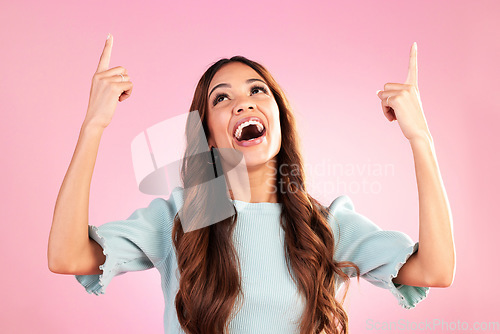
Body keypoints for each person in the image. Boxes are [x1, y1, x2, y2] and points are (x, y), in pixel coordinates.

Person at [48, 34, 455, 334]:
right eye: (221, 99)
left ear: (279, 117)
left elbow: (435, 270)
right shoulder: (178, 218)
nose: (243, 103)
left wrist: (421, 139)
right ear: (208, 137)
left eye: (257, 91)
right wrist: (93, 125)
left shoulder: (325, 226)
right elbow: (66, 257)